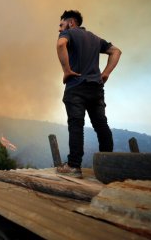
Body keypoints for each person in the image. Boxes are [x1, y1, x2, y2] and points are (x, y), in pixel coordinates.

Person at [56, 10, 122, 178]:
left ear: (71, 23)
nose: (59, 29)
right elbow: (116, 52)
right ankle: (108, 166)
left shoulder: (68, 33)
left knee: (76, 125)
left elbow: (60, 45)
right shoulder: (95, 39)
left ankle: (74, 167)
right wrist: (106, 73)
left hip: (76, 87)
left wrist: (67, 71)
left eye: (61, 24)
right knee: (101, 125)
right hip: (96, 89)